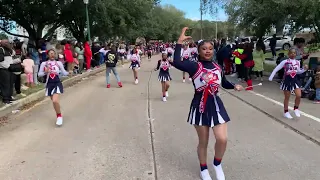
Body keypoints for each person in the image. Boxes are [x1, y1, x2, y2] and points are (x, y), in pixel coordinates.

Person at [173, 27, 242, 180]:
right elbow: (176, 61)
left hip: (216, 104)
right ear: (199, 51)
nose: (208, 51)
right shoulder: (194, 66)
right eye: (204, 49)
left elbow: (223, 82)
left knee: (222, 139)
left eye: (210, 48)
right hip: (199, 105)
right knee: (203, 141)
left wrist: (234, 86)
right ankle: (203, 168)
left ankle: (217, 164)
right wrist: (179, 42)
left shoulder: (218, 67)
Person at [269, 48, 308, 119]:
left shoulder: (298, 62)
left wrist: (304, 69)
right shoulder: (285, 62)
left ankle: (296, 108)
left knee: (299, 95)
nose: (293, 54)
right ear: (288, 54)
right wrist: (271, 77)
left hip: (295, 80)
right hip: (287, 80)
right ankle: (286, 112)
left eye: (294, 53)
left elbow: (298, 71)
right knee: (287, 97)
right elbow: (276, 69)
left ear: (296, 54)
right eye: (291, 53)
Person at [38, 49, 69, 126]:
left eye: (53, 53)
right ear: (48, 55)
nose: (52, 55)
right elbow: (39, 74)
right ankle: (58, 113)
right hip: (49, 84)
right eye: (51, 53)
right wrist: (46, 72)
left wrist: (69, 72)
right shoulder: (44, 63)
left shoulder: (58, 63)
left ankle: (59, 116)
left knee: (55, 101)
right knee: (54, 102)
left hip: (57, 82)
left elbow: (64, 72)